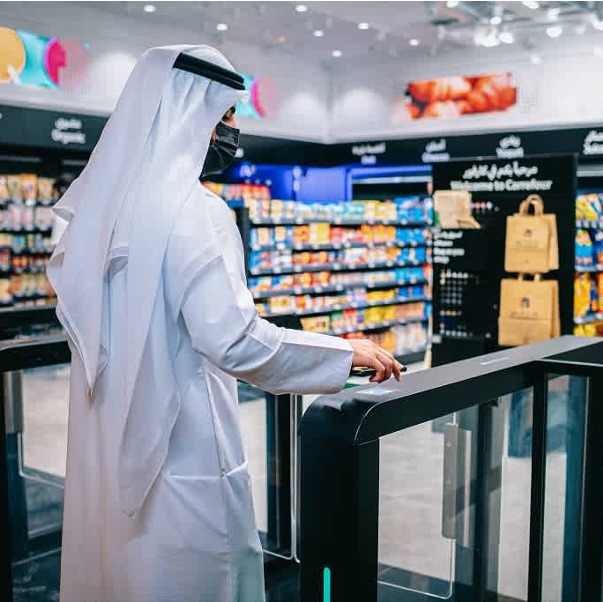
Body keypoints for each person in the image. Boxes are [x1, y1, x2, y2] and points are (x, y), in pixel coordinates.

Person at [47, 45, 401, 601]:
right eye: (228, 115)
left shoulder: (100, 211)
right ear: (195, 113)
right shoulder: (197, 212)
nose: (233, 131)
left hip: (110, 444)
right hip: (184, 446)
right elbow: (236, 342)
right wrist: (342, 352)